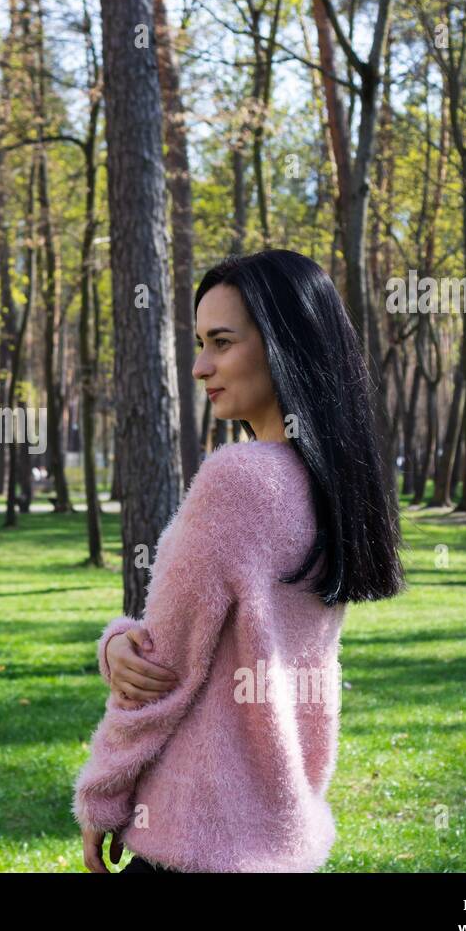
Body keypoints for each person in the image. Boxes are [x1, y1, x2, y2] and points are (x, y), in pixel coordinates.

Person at [73, 249, 405, 873]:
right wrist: (119, 643)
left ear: (283, 344)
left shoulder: (239, 481)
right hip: (281, 836)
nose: (200, 367)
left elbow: (161, 669)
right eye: (200, 343)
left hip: (195, 840)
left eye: (221, 342)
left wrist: (102, 796)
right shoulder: (336, 485)